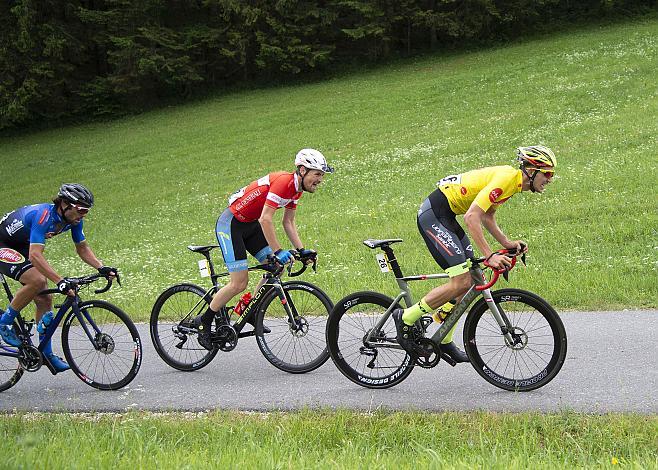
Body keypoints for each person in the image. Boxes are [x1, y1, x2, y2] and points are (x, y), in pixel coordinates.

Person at [393, 145, 557, 362]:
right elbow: (472, 217)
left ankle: (443, 339)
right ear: (532, 169)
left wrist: (508, 243)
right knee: (460, 281)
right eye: (547, 173)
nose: (549, 179)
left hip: (447, 217)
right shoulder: (507, 180)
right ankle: (406, 317)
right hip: (434, 215)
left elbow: (487, 216)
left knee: (471, 281)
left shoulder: (513, 183)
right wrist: (489, 256)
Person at [195, 149, 334, 350]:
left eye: (321, 175)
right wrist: (278, 250)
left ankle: (249, 310)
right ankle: (204, 321)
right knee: (239, 282)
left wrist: (301, 250)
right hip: (231, 225)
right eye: (317, 174)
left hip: (250, 226)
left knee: (275, 267)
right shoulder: (284, 183)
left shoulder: (296, 189)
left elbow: (288, 222)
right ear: (302, 171)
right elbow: (266, 219)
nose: (320, 179)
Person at [0, 183, 118, 372]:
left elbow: (82, 248)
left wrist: (101, 267)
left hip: (22, 244)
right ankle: (4, 323)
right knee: (37, 281)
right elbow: (35, 255)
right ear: (65, 204)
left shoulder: (74, 221)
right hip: (3, 244)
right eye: (81, 209)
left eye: (86, 211)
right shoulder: (44, 216)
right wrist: (60, 281)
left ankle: (45, 353)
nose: (83, 215)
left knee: (45, 297)